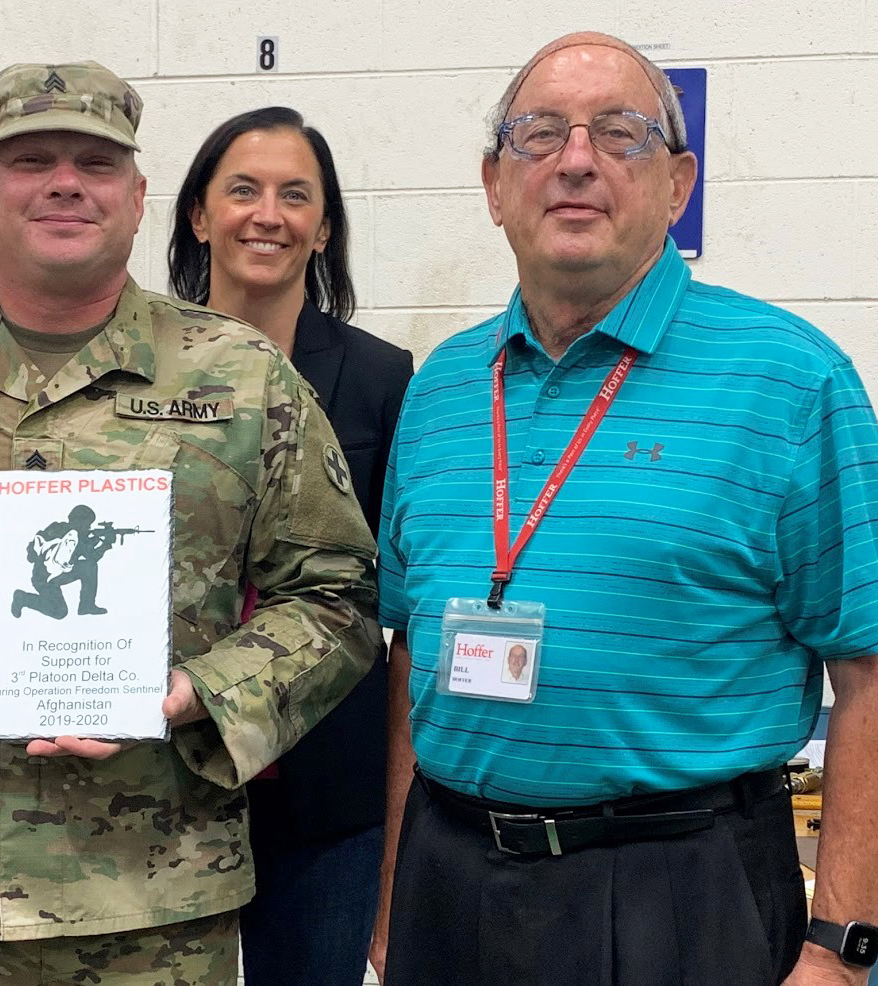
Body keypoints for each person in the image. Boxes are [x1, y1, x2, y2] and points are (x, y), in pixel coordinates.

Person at [0, 61, 382, 983]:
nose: (65, 182)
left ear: (140, 196)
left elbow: (339, 598)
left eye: (95, 164)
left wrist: (199, 694)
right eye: (31, 159)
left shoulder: (243, 380)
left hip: (160, 912)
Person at [371, 32, 878, 986]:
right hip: (451, 883)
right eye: (538, 135)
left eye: (621, 134)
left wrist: (843, 945)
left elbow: (871, 673)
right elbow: (411, 655)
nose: (574, 160)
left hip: (680, 897)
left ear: (678, 185)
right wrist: (398, 888)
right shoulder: (441, 389)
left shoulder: (791, 380)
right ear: (491, 184)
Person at [167, 106, 412, 985]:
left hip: (325, 794)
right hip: (162, 777)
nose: (266, 214)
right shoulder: (136, 368)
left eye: (294, 195)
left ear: (324, 227)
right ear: (200, 215)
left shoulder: (384, 378)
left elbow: (392, 606)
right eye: (242, 190)